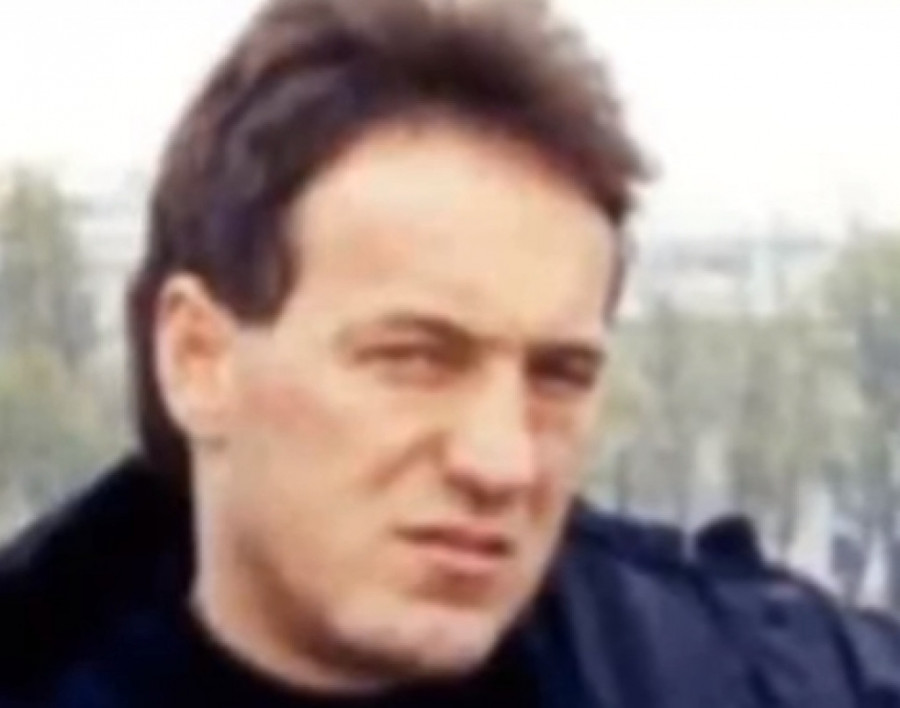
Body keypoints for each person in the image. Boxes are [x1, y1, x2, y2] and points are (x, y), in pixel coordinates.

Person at [0, 0, 898, 706]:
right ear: (198, 358)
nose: (501, 461)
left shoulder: (754, 679)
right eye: (416, 360)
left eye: (558, 376)